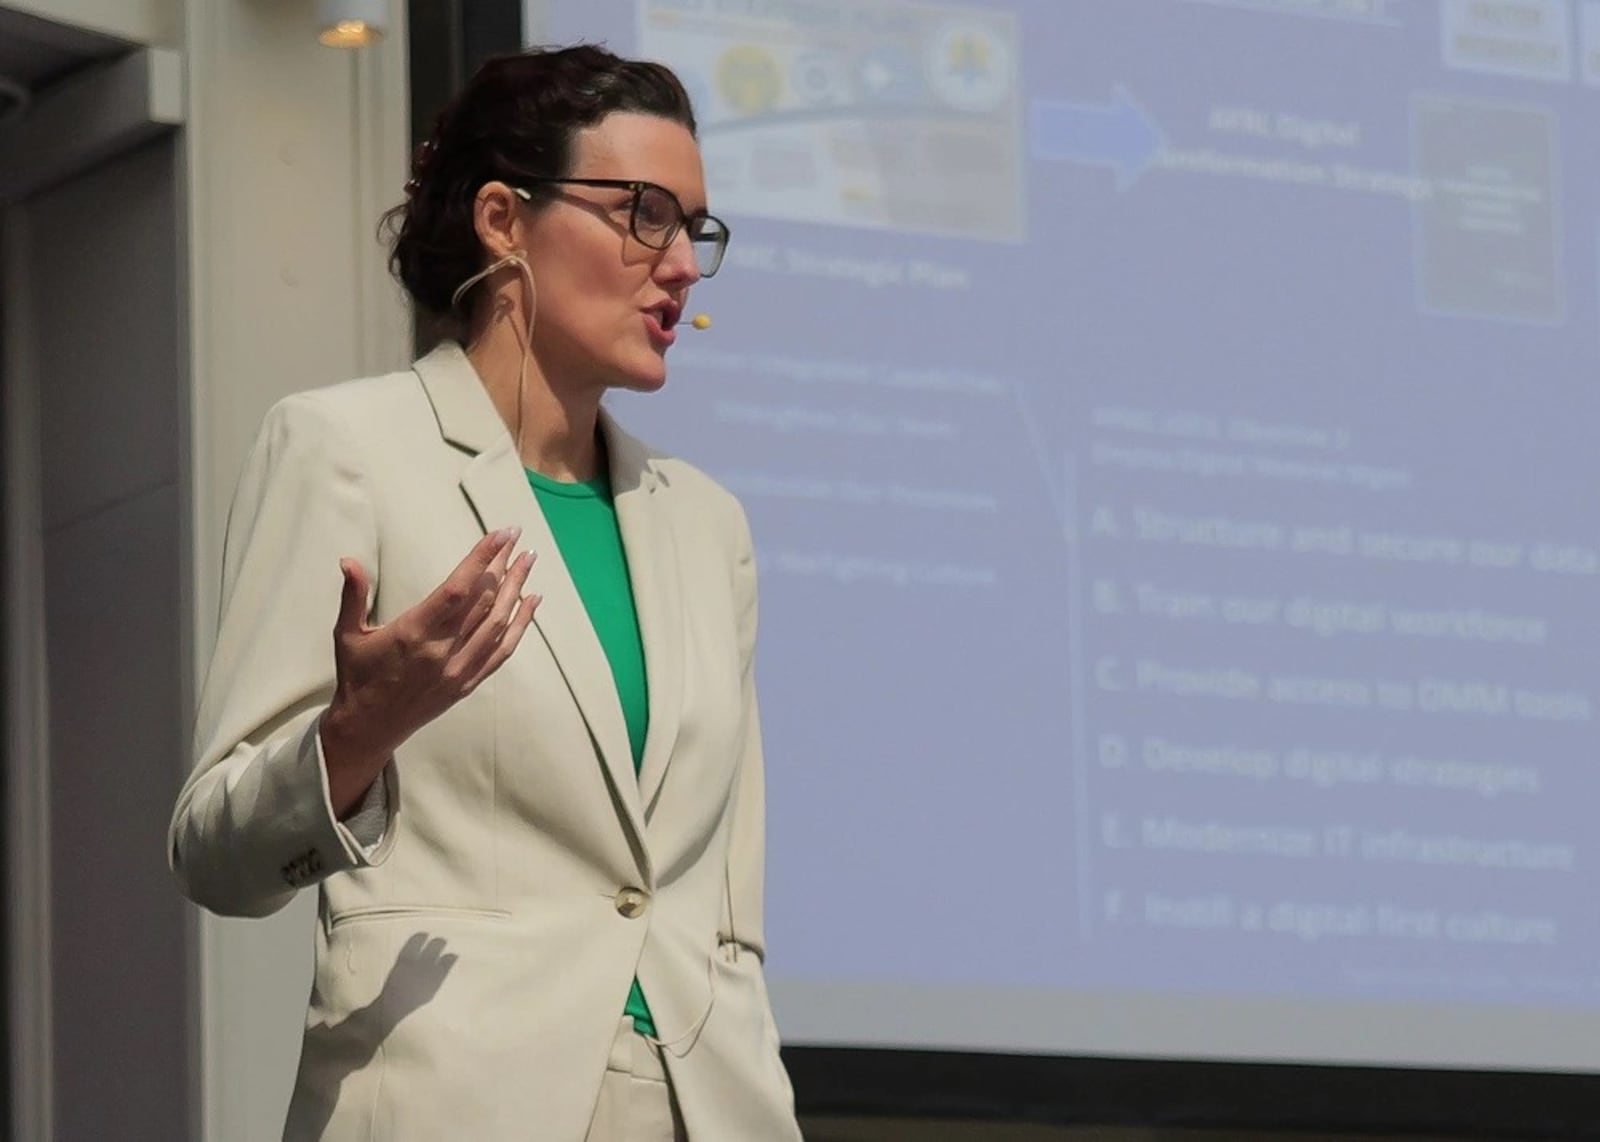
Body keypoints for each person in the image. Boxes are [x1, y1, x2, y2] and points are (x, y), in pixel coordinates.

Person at [167, 44, 802, 1142]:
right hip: (452, 1101)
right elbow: (216, 854)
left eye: (694, 229)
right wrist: (353, 735)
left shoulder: (706, 523)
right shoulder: (345, 447)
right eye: (643, 212)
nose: (682, 264)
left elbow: (723, 915)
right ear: (503, 219)